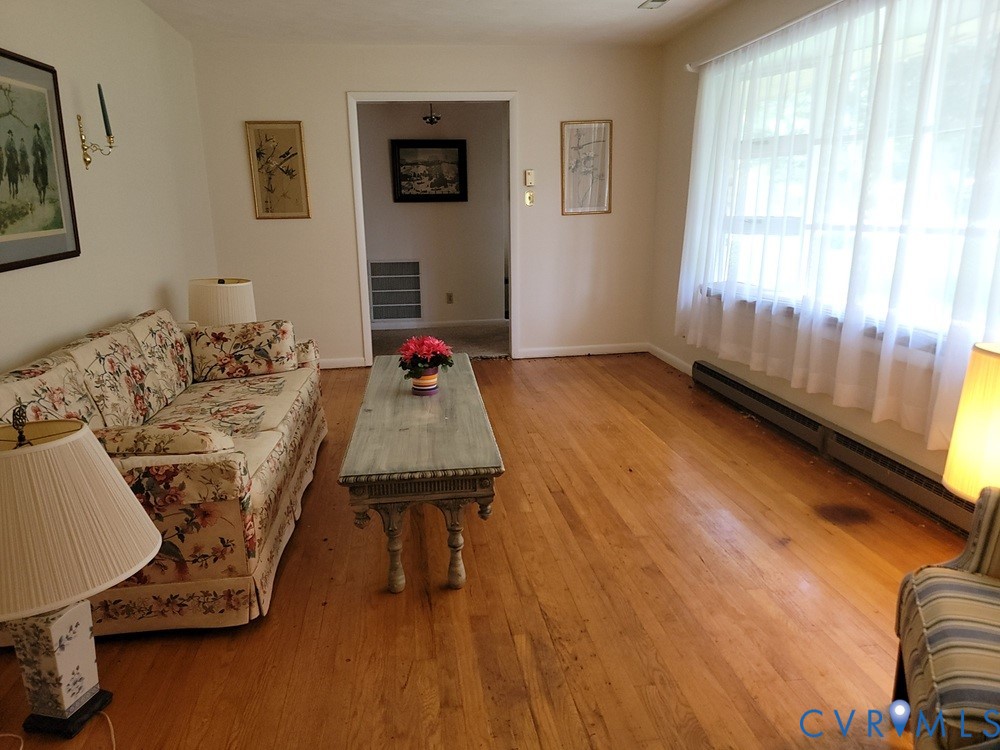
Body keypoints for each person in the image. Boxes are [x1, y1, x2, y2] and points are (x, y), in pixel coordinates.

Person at [31, 124, 48, 204]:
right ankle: (35, 179)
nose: (36, 131)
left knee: (45, 167)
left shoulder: (40, 138)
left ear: (38, 130)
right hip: (36, 157)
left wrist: (41, 151)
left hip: (41, 156)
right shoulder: (34, 138)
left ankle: (45, 181)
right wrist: (34, 151)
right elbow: (32, 149)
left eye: (36, 130)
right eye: (35, 130)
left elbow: (43, 148)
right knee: (34, 165)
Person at [4, 130, 19, 199]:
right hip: (9, 156)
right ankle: (6, 172)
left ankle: (18, 168)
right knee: (8, 164)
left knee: (16, 161)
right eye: (9, 134)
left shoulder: (13, 141)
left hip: (13, 154)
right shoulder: (7, 141)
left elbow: (15, 148)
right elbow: (5, 149)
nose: (10, 135)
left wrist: (15, 152)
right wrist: (8, 153)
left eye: (10, 134)